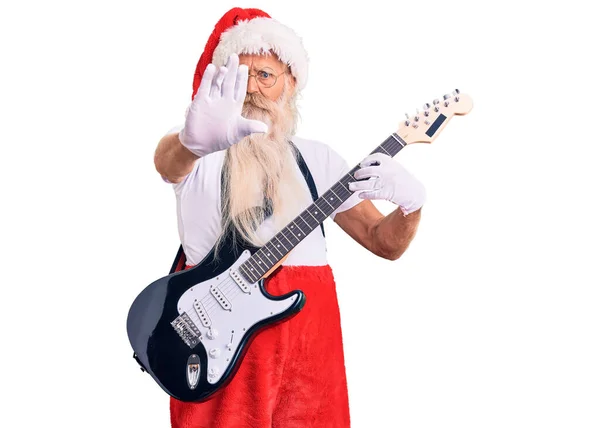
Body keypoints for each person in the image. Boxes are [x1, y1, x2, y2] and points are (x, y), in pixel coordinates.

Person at [154, 7, 426, 428]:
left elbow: (383, 242)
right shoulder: (201, 149)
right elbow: (167, 164)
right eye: (241, 76)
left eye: (266, 75)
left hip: (310, 346)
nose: (254, 89)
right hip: (215, 344)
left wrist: (412, 205)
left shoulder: (318, 159)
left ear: (291, 84)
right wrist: (190, 143)